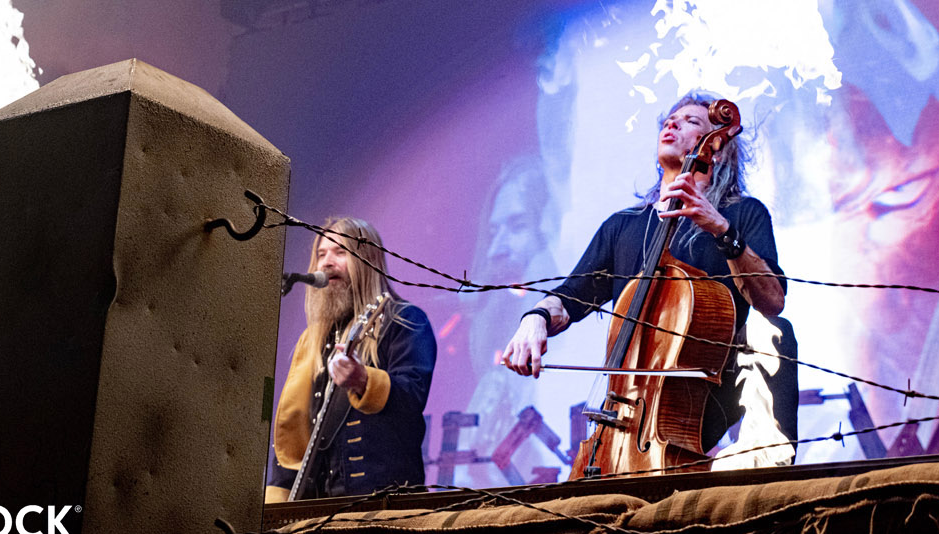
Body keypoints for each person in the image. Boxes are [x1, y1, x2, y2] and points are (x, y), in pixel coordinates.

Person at [501, 92, 787, 458]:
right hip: (624, 415)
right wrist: (535, 318)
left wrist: (720, 229)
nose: (673, 124)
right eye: (670, 120)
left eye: (691, 122)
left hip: (702, 406)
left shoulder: (742, 214)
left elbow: (772, 301)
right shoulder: (624, 225)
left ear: (715, 150)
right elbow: (571, 298)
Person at [265, 216, 436, 501]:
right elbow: (296, 432)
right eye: (321, 254)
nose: (326, 263)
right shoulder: (312, 340)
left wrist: (364, 381)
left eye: (340, 252)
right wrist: (276, 505)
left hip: (385, 505)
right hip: (317, 509)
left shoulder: (405, 321)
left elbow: (412, 398)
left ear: (368, 260)